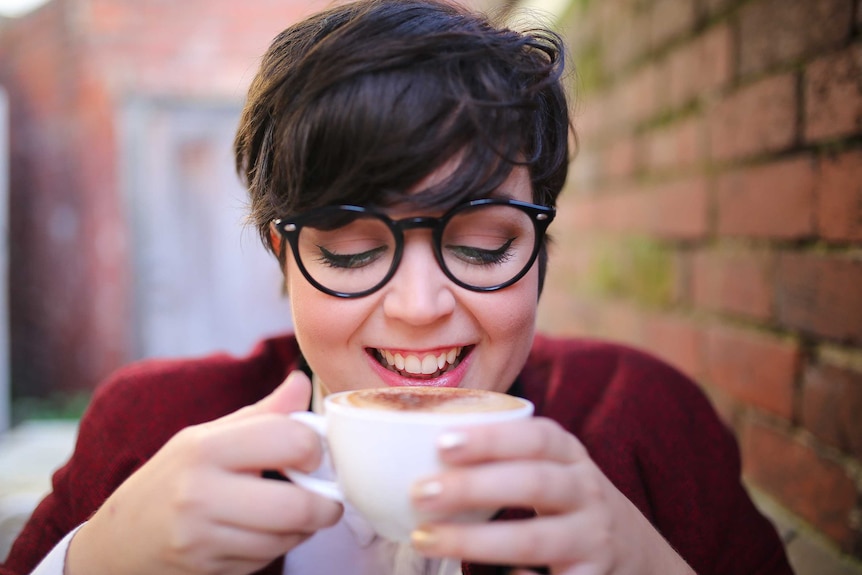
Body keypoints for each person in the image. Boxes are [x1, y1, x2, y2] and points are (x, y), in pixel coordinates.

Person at [1, 1, 794, 574]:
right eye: (351, 251)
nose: (420, 309)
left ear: (539, 248)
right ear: (285, 257)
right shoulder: (144, 431)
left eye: (484, 245)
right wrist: (92, 559)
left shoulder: (648, 420)